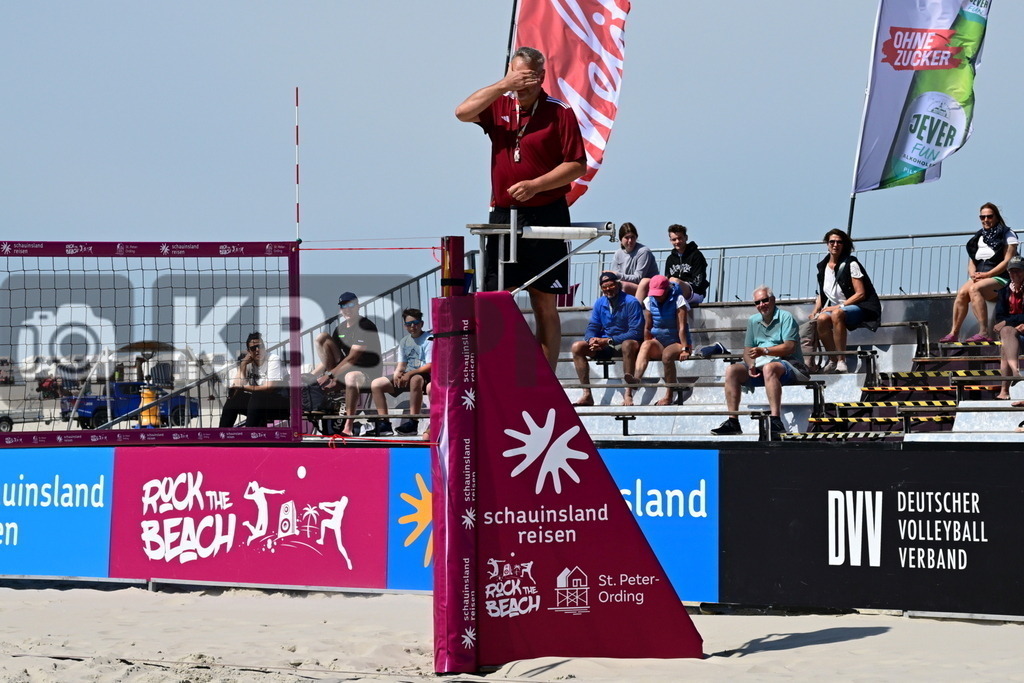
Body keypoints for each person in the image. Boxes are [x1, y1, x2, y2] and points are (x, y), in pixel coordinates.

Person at [456, 46, 587, 371]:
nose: (522, 82)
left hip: (546, 212)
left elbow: (577, 165)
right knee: (496, 299)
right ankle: (502, 368)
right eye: (516, 75)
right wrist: (503, 85)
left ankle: (546, 376)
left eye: (528, 76)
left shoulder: (559, 112)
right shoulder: (499, 103)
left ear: (541, 76)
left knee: (544, 300)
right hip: (503, 214)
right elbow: (461, 112)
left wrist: (536, 185)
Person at [711, 286, 808, 440]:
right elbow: (747, 351)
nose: (762, 304)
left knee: (770, 368)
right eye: (758, 302)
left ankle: (776, 421)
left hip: (789, 364)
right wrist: (750, 365)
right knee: (732, 370)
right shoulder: (753, 321)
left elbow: (789, 347)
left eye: (765, 300)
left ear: (773, 300)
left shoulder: (786, 317)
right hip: (762, 365)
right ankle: (733, 421)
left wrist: (765, 351)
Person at [806, 229, 881, 373]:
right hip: (837, 308)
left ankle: (841, 360)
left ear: (844, 244)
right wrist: (815, 310)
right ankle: (832, 359)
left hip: (859, 307)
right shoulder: (822, 267)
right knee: (821, 319)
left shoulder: (851, 263)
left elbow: (861, 294)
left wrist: (837, 307)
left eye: (839, 242)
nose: (835, 245)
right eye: (832, 242)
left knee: (837, 314)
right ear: (827, 244)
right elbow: (823, 293)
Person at [941, 202, 1018, 343]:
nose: (986, 220)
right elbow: (972, 260)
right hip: (981, 276)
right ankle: (954, 332)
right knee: (962, 293)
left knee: (975, 289)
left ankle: (984, 331)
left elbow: (1007, 261)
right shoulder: (979, 236)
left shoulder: (1008, 234)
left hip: (1000, 278)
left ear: (996, 216)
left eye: (989, 216)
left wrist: (986, 275)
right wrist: (973, 274)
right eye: (982, 217)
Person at [312, 291, 382, 436]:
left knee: (351, 377)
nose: (347, 309)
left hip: (368, 372)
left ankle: (348, 427)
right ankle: (324, 425)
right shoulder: (341, 328)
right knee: (322, 337)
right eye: (343, 306)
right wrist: (312, 376)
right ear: (340, 309)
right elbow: (327, 358)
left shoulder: (366, 326)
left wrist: (330, 375)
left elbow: (353, 358)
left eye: (351, 305)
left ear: (358, 306)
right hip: (345, 369)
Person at [571, 273, 643, 407]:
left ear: (618, 285)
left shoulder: (631, 302)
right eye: (605, 287)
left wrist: (609, 340)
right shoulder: (599, 302)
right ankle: (587, 394)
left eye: (611, 285)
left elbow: (636, 332)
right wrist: (591, 339)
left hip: (625, 343)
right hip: (605, 344)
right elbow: (593, 326)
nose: (608, 289)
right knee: (577, 347)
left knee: (628, 344)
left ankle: (628, 394)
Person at [365, 308, 433, 436]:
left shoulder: (429, 339)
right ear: (405, 326)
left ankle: (413, 421)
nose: (413, 326)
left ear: (422, 324)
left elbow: (430, 365)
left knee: (415, 380)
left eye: (416, 323)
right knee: (376, 384)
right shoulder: (404, 341)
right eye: (409, 324)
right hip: (408, 374)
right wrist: (398, 373)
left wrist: (409, 374)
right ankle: (385, 424)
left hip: (423, 376)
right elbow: (402, 364)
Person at [626, 274, 691, 405]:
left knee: (667, 355)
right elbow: (648, 326)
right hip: (659, 341)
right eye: (655, 294)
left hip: (677, 341)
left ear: (667, 290)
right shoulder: (649, 301)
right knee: (646, 346)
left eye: (660, 294)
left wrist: (685, 349)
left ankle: (669, 395)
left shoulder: (679, 300)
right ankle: (636, 381)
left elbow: (682, 327)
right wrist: (646, 342)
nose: (657, 297)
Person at [218, 332, 290, 428]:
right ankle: (222, 434)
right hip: (258, 405)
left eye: (260, 346)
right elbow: (237, 387)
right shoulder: (249, 362)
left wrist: (243, 387)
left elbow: (269, 388)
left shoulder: (273, 359)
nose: (257, 350)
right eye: (253, 348)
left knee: (258, 394)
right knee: (234, 398)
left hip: (281, 405)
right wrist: (243, 364)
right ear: (249, 351)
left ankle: (250, 435)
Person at [993, 257, 1024, 401]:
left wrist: (1008, 321)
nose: (1014, 274)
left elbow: (1003, 320)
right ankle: (1016, 373)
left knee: (1005, 342)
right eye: (1012, 271)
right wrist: (1009, 323)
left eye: (1018, 271)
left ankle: (1004, 390)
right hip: (1013, 332)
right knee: (1006, 332)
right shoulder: (1005, 291)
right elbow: (999, 317)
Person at [602, 222, 658, 296]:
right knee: (608, 286)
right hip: (627, 284)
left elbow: (638, 278)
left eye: (632, 237)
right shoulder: (618, 254)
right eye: (626, 238)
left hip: (646, 288)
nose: (630, 241)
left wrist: (617, 275)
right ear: (620, 239)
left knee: (623, 286)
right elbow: (615, 278)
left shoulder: (643, 252)